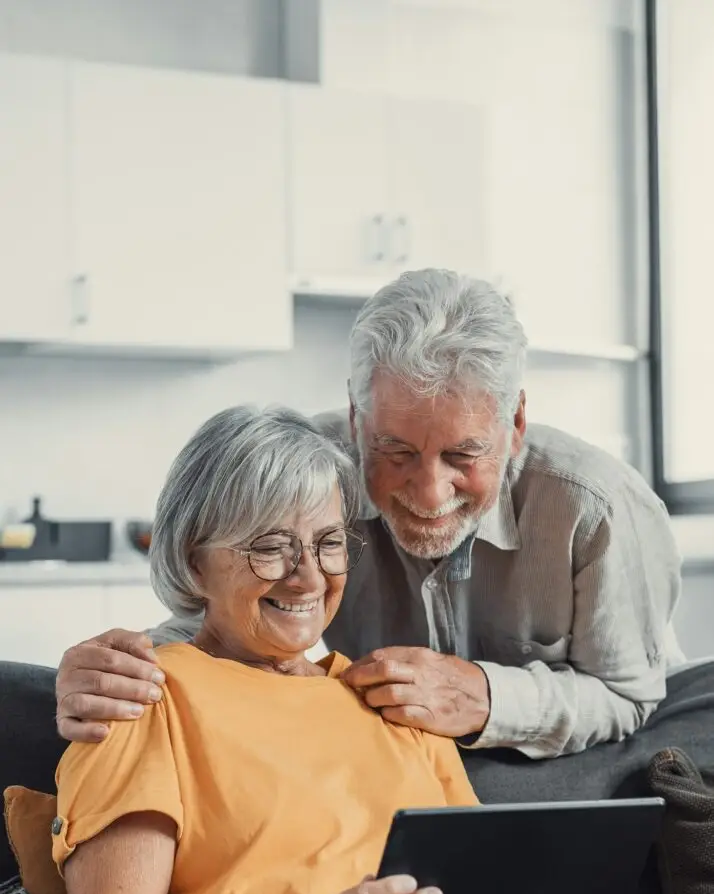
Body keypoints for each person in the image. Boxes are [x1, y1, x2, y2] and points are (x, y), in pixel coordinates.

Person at [52, 405, 713, 894]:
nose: (306, 577)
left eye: (328, 542)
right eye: (269, 545)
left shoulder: (389, 702)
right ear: (195, 559)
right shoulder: (140, 698)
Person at [56, 269, 684, 758]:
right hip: (389, 769)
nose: (430, 493)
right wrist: (113, 675)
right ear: (358, 422)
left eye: (464, 454)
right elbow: (221, 619)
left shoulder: (597, 506)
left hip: (576, 761)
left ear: (514, 422)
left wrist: (490, 698)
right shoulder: (314, 469)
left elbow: (629, 697)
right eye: (395, 451)